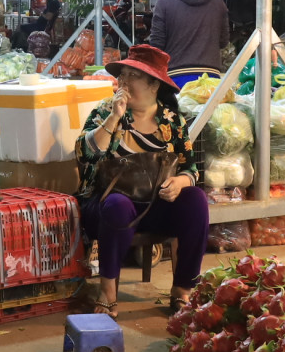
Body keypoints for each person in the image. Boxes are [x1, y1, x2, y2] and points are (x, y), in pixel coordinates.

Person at [76, 45, 208, 317]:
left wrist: (181, 182)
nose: (122, 83)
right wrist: (114, 117)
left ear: (153, 85)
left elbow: (191, 169)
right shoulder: (106, 111)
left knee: (196, 200)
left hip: (153, 205)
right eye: (121, 75)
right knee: (118, 206)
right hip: (105, 205)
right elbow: (84, 154)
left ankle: (182, 290)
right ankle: (108, 292)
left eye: (131, 76)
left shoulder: (171, 122)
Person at [147, 0, 229, 72]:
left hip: (176, 77)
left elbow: (157, 45)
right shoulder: (217, 0)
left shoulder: (164, 1)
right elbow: (223, 42)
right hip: (211, 76)